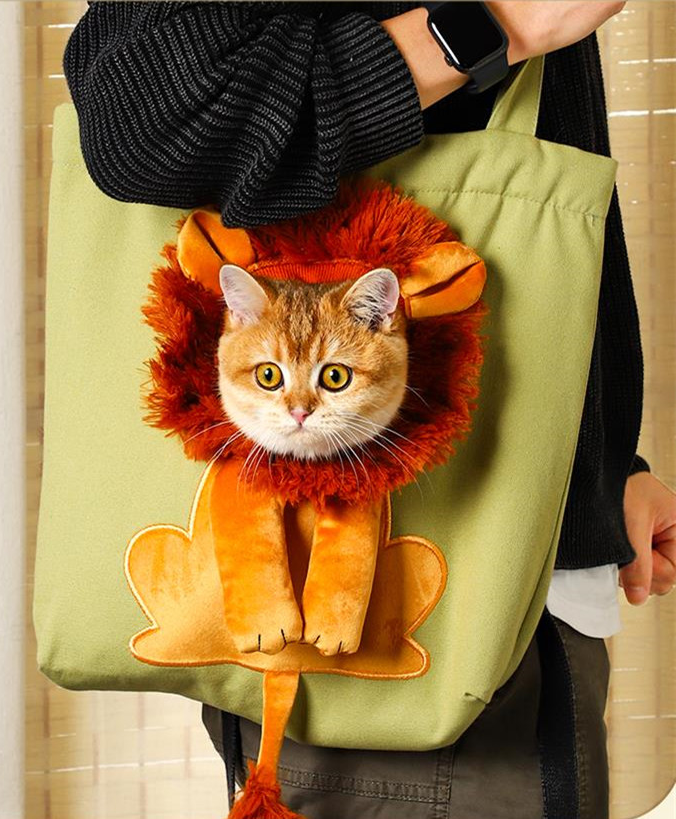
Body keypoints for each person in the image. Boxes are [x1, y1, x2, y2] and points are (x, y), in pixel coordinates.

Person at [62, 3, 676, 817]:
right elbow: (141, 119)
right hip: (403, 604)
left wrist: (605, 460)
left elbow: (554, 186)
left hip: (537, 559)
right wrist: (495, 23)